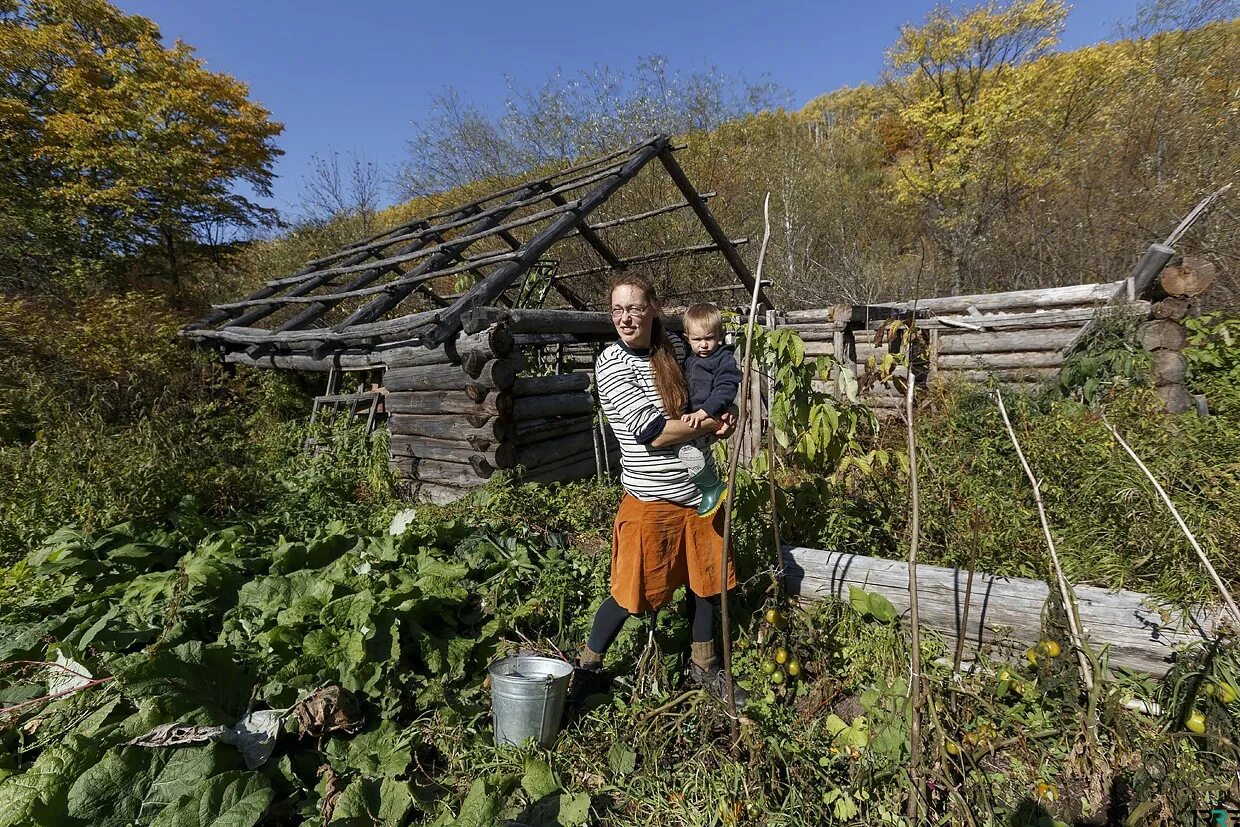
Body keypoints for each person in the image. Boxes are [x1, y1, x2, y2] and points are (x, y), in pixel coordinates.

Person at [573, 275, 747, 706]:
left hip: (700, 492)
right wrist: (711, 420)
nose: (626, 317)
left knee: (707, 583)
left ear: (653, 308)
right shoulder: (612, 362)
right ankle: (587, 668)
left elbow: (706, 391)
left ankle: (704, 667)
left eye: (634, 307)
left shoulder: (673, 347)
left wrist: (727, 416)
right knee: (631, 592)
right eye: (617, 310)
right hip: (652, 499)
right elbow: (652, 432)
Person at [677, 303, 741, 518]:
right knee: (683, 451)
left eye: (709, 338)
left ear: (720, 336)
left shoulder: (723, 360)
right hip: (695, 418)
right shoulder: (689, 360)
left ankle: (711, 486)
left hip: (708, 419)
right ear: (687, 338)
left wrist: (704, 412)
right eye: (697, 340)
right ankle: (704, 488)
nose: (703, 345)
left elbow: (725, 389)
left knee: (684, 449)